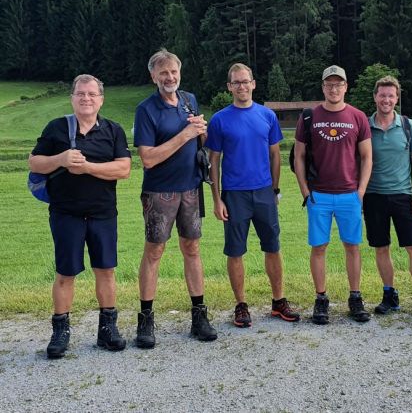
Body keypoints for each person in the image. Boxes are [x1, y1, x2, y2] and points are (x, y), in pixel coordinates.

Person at [29, 74, 131, 359]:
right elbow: (34, 162)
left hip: (102, 213)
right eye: (80, 94)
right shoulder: (56, 128)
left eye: (91, 94)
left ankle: (107, 330)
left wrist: (87, 167)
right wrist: (60, 159)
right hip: (66, 213)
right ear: (72, 98)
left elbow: (123, 169)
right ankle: (60, 332)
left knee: (106, 270)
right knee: (65, 273)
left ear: (101, 99)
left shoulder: (113, 130)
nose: (86, 99)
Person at [133, 48, 216, 348]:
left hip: (191, 188)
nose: (170, 77)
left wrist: (201, 134)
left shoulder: (188, 100)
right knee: (154, 252)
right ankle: (146, 320)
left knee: (192, 249)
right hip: (159, 191)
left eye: (174, 72)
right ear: (153, 76)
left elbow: (198, 139)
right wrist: (185, 134)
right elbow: (148, 159)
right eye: (163, 72)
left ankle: (199, 315)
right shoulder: (146, 110)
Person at [207, 63, 299, 328]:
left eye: (245, 81)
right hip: (234, 194)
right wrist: (216, 199)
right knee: (235, 251)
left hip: (264, 192)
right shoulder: (220, 119)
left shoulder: (267, 116)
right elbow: (214, 161)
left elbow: (274, 155)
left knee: (273, 246)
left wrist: (275, 190)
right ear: (229, 87)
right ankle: (241, 305)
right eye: (236, 82)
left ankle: (278, 301)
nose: (241, 86)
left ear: (253, 84)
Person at [294, 65, 372, 324]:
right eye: (329, 84)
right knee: (319, 247)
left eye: (339, 84)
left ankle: (355, 297)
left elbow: (367, 157)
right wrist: (305, 191)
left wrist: (360, 191)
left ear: (346, 87)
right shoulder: (309, 116)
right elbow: (299, 157)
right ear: (323, 87)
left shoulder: (358, 116)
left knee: (352, 246)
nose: (334, 88)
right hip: (319, 195)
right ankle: (321, 299)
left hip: (349, 193)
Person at [364, 76, 412, 320]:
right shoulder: (364, 125)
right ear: (375, 96)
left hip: (404, 196)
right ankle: (389, 295)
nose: (386, 100)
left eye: (391, 96)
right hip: (374, 196)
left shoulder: (407, 125)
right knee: (381, 248)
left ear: (397, 98)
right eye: (382, 95)